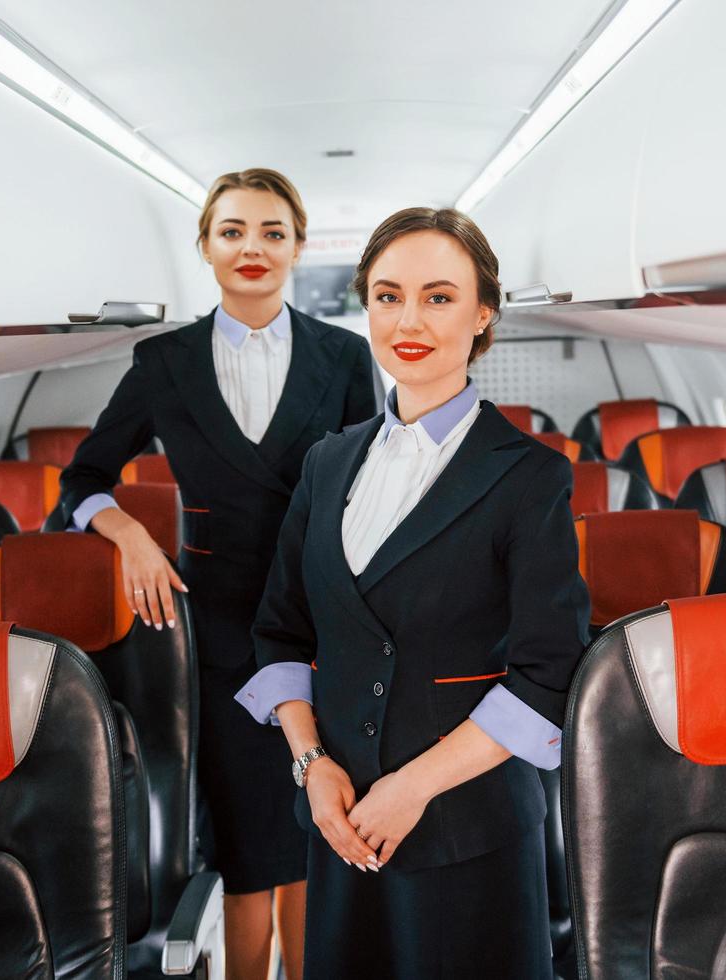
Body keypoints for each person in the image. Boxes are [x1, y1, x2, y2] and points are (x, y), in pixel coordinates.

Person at [235, 207, 591, 978]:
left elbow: (549, 672)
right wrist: (312, 766)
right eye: (388, 296)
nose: (410, 320)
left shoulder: (528, 477)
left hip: (469, 832)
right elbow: (281, 636)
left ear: (483, 312)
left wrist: (412, 788)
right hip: (339, 825)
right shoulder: (327, 464)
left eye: (439, 297)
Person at [57, 168, 377, 980]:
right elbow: (82, 479)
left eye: (272, 232)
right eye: (233, 231)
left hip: (319, 626)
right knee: (243, 838)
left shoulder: (343, 355)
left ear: (299, 247)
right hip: (219, 630)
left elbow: (368, 487)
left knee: (314, 825)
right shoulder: (162, 361)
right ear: (205, 246)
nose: (253, 249)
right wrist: (127, 530)